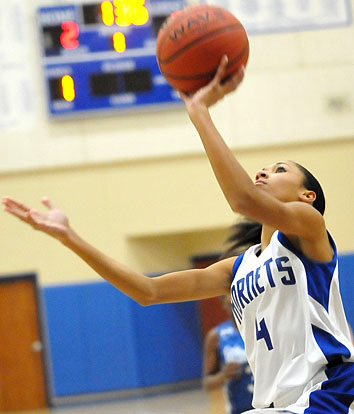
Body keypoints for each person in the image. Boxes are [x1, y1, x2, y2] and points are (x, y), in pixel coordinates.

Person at [3, 56, 354, 413]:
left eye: (278, 170)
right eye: (261, 170)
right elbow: (148, 291)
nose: (263, 174)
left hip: (326, 394)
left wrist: (199, 111)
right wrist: (69, 238)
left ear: (306, 196)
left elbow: (241, 200)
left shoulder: (309, 230)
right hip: (275, 406)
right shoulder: (237, 269)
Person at [203, 294, 254, 414]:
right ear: (223, 304)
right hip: (239, 408)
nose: (231, 300)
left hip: (270, 406)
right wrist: (223, 375)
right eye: (226, 297)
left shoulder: (263, 326)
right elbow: (207, 383)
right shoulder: (216, 336)